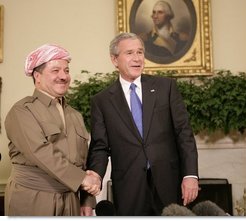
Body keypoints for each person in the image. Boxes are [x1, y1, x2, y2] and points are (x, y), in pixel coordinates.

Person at [87, 32, 199, 216]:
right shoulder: (102, 101)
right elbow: (100, 146)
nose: (137, 58)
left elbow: (183, 133)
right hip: (128, 187)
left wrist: (190, 175)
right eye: (129, 53)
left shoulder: (166, 87)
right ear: (114, 60)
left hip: (168, 181)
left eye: (140, 52)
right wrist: (95, 175)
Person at [4, 44, 102, 216]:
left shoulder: (75, 115)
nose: (63, 76)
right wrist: (83, 179)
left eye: (66, 70)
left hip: (71, 200)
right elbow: (41, 152)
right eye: (55, 70)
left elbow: (82, 161)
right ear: (37, 76)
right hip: (33, 197)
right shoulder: (22, 111)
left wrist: (87, 200)